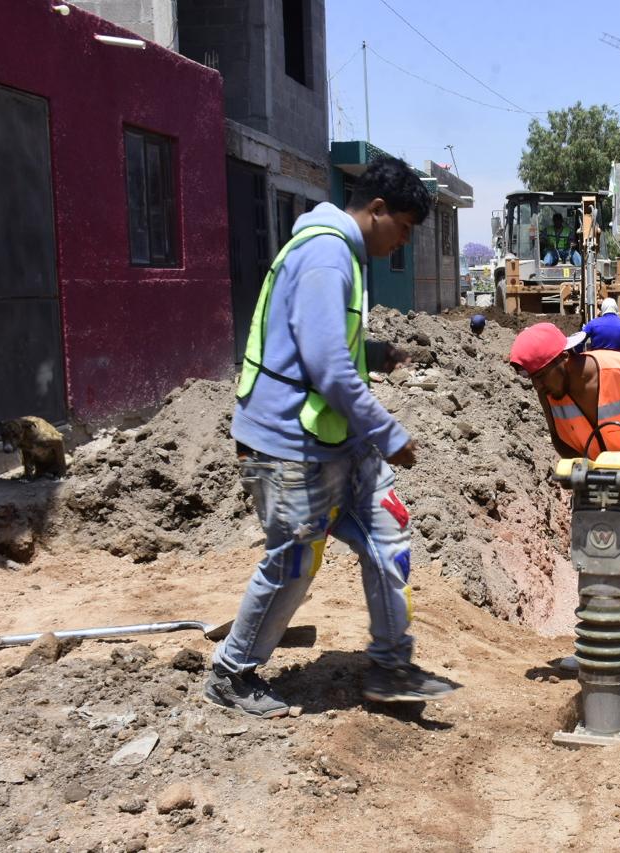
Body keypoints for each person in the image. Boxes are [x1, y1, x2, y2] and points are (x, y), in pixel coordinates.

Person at [207, 154, 456, 718]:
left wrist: (375, 353)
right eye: (404, 228)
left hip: (334, 437)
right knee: (294, 559)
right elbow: (325, 365)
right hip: (288, 441)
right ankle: (231, 672)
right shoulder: (326, 254)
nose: (403, 241)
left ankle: (391, 667)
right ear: (377, 209)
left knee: (388, 534)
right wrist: (388, 432)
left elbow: (319, 345)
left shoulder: (341, 254)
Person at [509, 323, 620, 688]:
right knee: (599, 567)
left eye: (541, 377)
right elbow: (560, 440)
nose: (538, 387)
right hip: (605, 491)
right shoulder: (551, 392)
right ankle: (595, 647)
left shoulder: (619, 368)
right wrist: (589, 470)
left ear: (563, 360)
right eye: (533, 380)